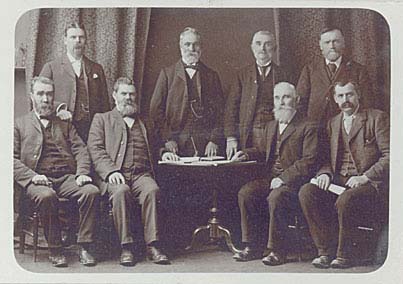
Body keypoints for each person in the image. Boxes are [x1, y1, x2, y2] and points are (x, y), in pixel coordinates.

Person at [298, 80, 389, 269]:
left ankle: (343, 255)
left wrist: (365, 177)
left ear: (358, 95)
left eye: (349, 94)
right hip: (340, 180)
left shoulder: (376, 118)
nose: (345, 100)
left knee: (345, 200)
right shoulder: (333, 123)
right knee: (307, 192)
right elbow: (325, 158)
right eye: (340, 96)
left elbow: (391, 156)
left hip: (369, 183)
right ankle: (324, 251)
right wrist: (325, 174)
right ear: (334, 98)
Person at [14, 76, 99, 267]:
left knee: (91, 191)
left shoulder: (65, 124)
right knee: (46, 196)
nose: (45, 99)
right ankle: (55, 249)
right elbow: (9, 160)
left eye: (49, 94)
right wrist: (33, 177)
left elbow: (81, 149)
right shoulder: (19, 124)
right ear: (32, 96)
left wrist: (83, 172)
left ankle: (84, 246)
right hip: (37, 180)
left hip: (66, 177)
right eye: (40, 94)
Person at [231, 82, 319, 265]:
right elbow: (263, 151)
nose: (281, 102)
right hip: (273, 178)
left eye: (286, 97)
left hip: (296, 183)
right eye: (277, 98)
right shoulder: (271, 125)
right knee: (246, 193)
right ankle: (253, 246)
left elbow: (309, 161)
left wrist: (283, 178)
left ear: (297, 100)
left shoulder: (308, 126)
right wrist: (246, 153)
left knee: (276, 197)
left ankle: (277, 251)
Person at [88, 77, 171, 266]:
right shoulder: (102, 119)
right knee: (121, 191)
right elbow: (95, 150)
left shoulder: (145, 122)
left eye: (132, 94)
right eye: (124, 94)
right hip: (115, 175)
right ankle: (126, 247)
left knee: (152, 190)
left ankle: (153, 245)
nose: (128, 98)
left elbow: (156, 145)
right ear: (114, 95)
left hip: (142, 175)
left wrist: (164, 153)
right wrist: (110, 172)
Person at [150, 27, 224, 157]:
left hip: (205, 144)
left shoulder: (211, 76)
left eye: (195, 44)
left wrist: (214, 140)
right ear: (180, 47)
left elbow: (220, 112)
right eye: (187, 44)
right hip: (175, 143)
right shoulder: (167, 74)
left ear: (201, 47)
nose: (191, 49)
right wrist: (168, 139)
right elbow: (155, 110)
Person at [40, 22, 110, 142]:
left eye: (81, 37)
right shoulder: (51, 67)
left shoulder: (96, 68)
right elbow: (39, 98)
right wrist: (59, 109)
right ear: (65, 40)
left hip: (92, 130)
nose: (78, 40)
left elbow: (105, 104)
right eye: (73, 37)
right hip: (62, 128)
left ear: (85, 40)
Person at [224, 30, 287, 159]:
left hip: (274, 132)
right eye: (258, 44)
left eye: (267, 44)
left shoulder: (283, 74)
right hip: (248, 131)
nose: (262, 48)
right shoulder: (241, 75)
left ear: (274, 48)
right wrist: (231, 137)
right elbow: (231, 108)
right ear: (252, 48)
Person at [296, 27, 372, 123]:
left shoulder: (358, 70)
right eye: (327, 42)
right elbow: (300, 103)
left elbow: (367, 104)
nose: (332, 46)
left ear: (343, 43)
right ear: (320, 46)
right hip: (315, 128)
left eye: (336, 41)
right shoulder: (309, 70)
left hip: (346, 127)